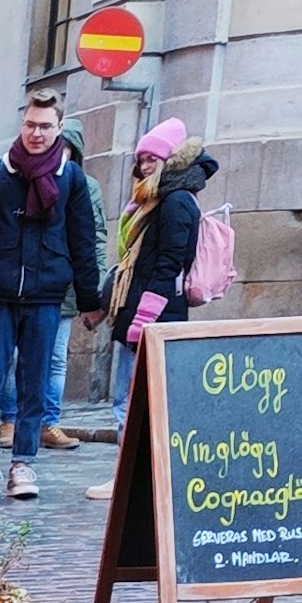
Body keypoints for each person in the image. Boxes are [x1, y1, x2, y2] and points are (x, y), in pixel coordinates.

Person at [0, 90, 104, 500]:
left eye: (45, 126)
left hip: (44, 293)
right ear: (22, 125)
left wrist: (90, 300)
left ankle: (23, 464)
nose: (36, 134)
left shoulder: (70, 179)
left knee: (34, 383)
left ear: (59, 129)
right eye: (30, 125)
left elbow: (83, 240)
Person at [105, 116, 215, 414]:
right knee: (132, 402)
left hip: (155, 313)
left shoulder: (176, 201)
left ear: (169, 159)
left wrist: (143, 319)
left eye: (152, 159)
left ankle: (135, 461)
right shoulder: (157, 199)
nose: (144, 166)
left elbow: (170, 262)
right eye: (141, 160)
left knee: (131, 405)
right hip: (146, 308)